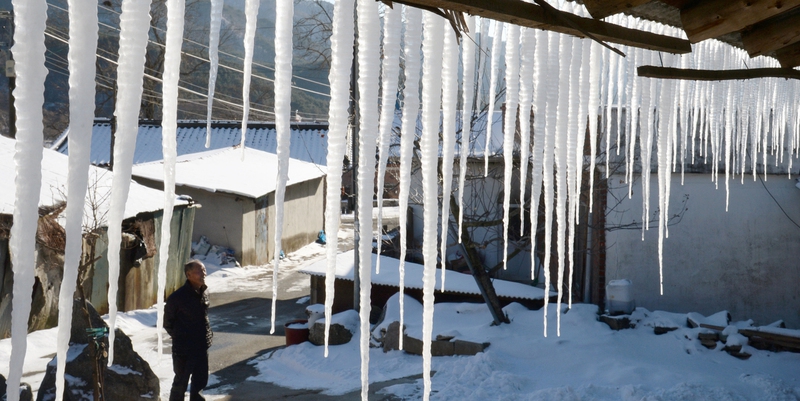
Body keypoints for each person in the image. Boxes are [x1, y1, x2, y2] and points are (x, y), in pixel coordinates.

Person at [165, 260, 213, 401]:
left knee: (199, 384)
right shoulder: (177, 297)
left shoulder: (203, 291)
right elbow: (168, 323)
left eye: (204, 270)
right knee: (181, 383)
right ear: (189, 274)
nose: (203, 273)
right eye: (199, 271)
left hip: (202, 346)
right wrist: (181, 337)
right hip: (184, 349)